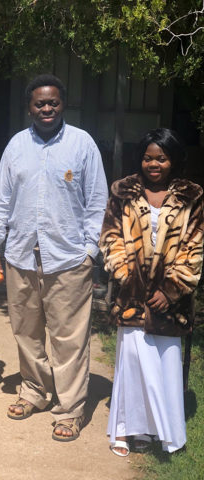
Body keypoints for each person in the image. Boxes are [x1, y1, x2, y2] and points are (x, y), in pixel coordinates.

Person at [0, 74, 108, 441]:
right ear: (29, 108)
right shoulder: (16, 146)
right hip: (21, 256)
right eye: (40, 103)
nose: (47, 108)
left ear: (62, 104)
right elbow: (1, 199)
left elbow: (97, 202)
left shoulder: (82, 144)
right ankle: (34, 392)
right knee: (27, 333)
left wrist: (89, 251)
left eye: (53, 102)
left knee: (69, 340)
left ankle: (69, 410)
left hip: (68, 260)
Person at [99, 128, 204, 456]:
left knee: (164, 364)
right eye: (148, 158)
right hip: (132, 295)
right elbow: (110, 237)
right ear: (140, 158)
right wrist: (126, 275)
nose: (154, 164)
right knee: (132, 363)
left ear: (173, 160)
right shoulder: (122, 191)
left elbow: (195, 245)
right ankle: (125, 429)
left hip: (172, 302)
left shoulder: (192, 195)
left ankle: (157, 432)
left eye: (161, 158)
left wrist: (172, 290)